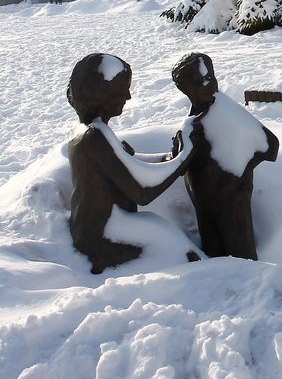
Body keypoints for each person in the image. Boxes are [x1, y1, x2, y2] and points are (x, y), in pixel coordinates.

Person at [67, 53, 197, 274]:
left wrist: (169, 159)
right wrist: (184, 158)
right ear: (102, 95)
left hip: (96, 227)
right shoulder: (94, 137)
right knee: (187, 255)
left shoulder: (88, 130)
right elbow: (142, 191)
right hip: (103, 236)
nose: (128, 96)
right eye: (121, 90)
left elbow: (129, 168)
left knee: (174, 240)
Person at [171, 52, 279, 260]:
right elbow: (180, 166)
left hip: (232, 202)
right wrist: (181, 145)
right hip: (204, 203)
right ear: (185, 89)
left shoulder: (227, 111)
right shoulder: (192, 123)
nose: (208, 84)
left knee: (241, 253)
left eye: (210, 77)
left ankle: (253, 288)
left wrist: (238, 172)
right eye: (199, 81)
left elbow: (270, 146)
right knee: (214, 252)